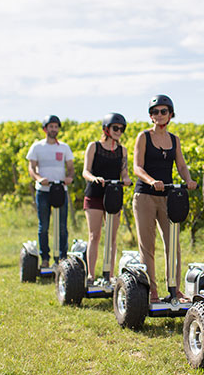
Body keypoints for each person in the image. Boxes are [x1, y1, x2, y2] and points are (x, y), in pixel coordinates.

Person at [132, 95, 197, 303]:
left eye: (163, 111)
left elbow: (181, 165)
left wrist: (188, 180)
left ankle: (174, 289)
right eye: (155, 112)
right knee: (147, 245)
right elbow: (137, 167)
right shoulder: (144, 137)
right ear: (151, 116)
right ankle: (151, 292)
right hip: (145, 196)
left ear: (170, 114)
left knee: (173, 244)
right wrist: (152, 181)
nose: (159, 115)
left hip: (167, 197)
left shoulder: (174, 140)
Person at [82, 113, 132, 286]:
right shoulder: (94, 147)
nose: (119, 131)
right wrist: (94, 178)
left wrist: (126, 179)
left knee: (112, 237)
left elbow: (124, 173)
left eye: (121, 129)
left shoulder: (122, 150)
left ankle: (109, 275)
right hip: (95, 194)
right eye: (115, 128)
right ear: (106, 129)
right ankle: (90, 275)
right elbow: (85, 171)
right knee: (94, 235)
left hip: (113, 195)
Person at [26, 115, 75, 268]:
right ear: (45, 129)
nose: (54, 129)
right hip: (44, 191)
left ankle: (61, 258)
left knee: (62, 226)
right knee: (44, 226)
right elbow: (31, 168)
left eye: (56, 127)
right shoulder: (37, 147)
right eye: (51, 127)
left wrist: (69, 177)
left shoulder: (64, 147)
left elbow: (71, 168)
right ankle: (45, 258)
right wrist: (38, 178)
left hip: (60, 189)